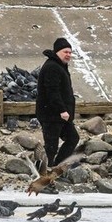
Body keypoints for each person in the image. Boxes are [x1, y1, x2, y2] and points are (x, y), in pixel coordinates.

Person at [36, 37, 79, 167]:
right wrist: (62, 110)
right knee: (51, 147)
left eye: (70, 52)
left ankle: (56, 166)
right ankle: (45, 175)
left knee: (72, 138)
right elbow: (52, 92)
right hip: (52, 115)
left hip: (61, 116)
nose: (68, 55)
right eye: (65, 52)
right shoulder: (52, 67)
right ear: (57, 52)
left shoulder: (60, 66)